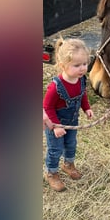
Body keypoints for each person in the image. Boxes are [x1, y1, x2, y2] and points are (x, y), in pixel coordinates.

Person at [43, 38, 93, 192]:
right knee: (55, 149)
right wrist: (56, 126)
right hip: (55, 124)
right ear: (63, 65)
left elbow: (82, 95)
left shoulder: (81, 80)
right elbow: (47, 107)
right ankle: (51, 173)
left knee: (71, 144)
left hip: (72, 122)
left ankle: (68, 164)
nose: (82, 68)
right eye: (77, 65)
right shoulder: (55, 86)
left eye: (84, 64)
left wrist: (87, 108)